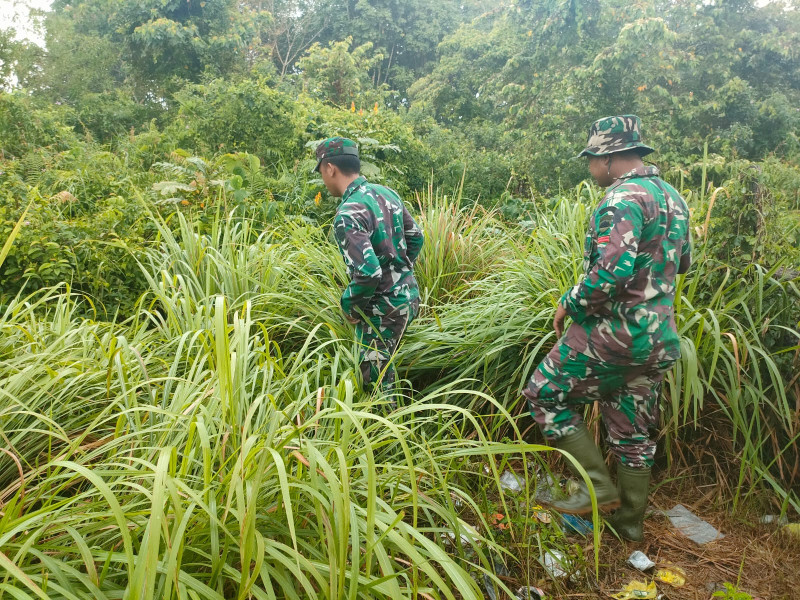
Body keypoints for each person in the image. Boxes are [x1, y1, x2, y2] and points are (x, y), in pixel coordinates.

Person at [522, 115, 692, 541]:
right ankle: (629, 527)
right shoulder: (673, 199)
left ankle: (597, 485)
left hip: (615, 334)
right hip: (658, 338)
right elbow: (682, 263)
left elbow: (611, 272)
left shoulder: (621, 198)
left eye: (592, 160)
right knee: (632, 430)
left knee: (543, 393)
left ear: (610, 157)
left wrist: (569, 303)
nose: (591, 168)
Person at [314, 136, 424, 409]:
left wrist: (349, 306)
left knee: (375, 381)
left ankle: (392, 442)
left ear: (329, 168)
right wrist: (399, 271)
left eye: (321, 172)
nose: (323, 179)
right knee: (386, 367)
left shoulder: (348, 213)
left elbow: (368, 273)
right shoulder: (386, 194)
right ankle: (405, 424)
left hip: (382, 309)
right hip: (408, 298)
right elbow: (417, 237)